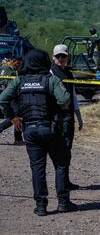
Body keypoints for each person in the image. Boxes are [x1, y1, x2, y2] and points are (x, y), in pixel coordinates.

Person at [0, 49, 78, 216]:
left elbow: (3, 99)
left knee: (37, 168)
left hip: (30, 130)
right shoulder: (51, 79)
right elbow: (65, 99)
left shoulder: (19, 80)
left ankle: (41, 205)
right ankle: (63, 202)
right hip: (51, 129)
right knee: (61, 165)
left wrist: (12, 117)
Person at [50, 44, 84, 190]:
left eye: (63, 56)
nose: (61, 59)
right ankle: (61, 181)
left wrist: (79, 115)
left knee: (67, 148)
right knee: (58, 149)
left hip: (68, 116)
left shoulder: (69, 73)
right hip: (55, 116)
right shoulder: (50, 73)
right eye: (58, 56)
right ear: (53, 57)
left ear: (67, 57)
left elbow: (74, 95)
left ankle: (65, 180)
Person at [0, 56, 24, 145]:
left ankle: (18, 139)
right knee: (15, 116)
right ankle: (18, 139)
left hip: (8, 95)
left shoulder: (3, 67)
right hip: (11, 96)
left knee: (17, 115)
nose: (19, 66)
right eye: (17, 64)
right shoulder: (9, 71)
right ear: (13, 61)